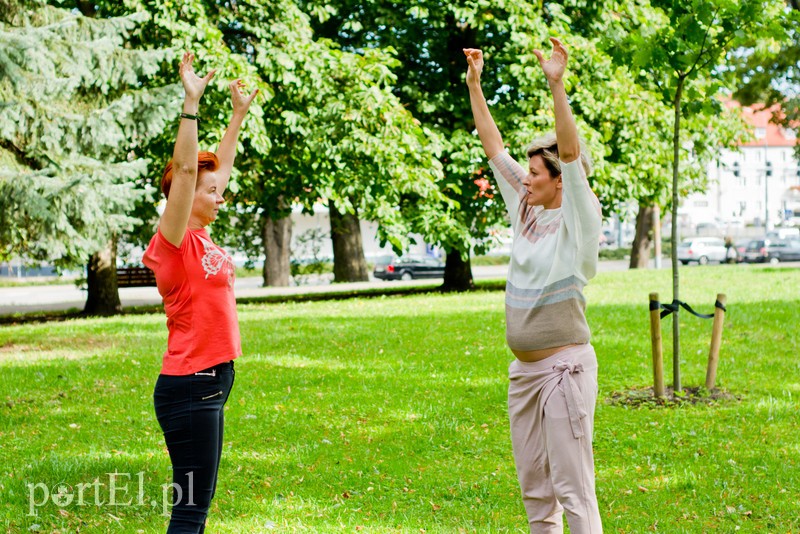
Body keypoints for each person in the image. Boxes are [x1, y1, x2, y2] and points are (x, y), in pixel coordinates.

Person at [465, 39, 603, 533]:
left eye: (536, 174)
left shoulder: (578, 220)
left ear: (560, 180)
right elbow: (493, 147)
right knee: (537, 493)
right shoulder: (525, 206)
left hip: (563, 370)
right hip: (524, 375)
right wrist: (475, 87)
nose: (525, 179)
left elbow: (568, 152)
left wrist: (556, 85)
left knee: (573, 489)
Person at [142, 52, 258, 533]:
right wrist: (192, 104)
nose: (221, 195)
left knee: (197, 502)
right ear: (185, 198)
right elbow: (190, 175)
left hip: (210, 380)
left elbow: (216, 171)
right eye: (214, 192)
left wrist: (237, 117)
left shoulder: (204, 236)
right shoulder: (172, 241)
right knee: (191, 509)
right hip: (192, 383)